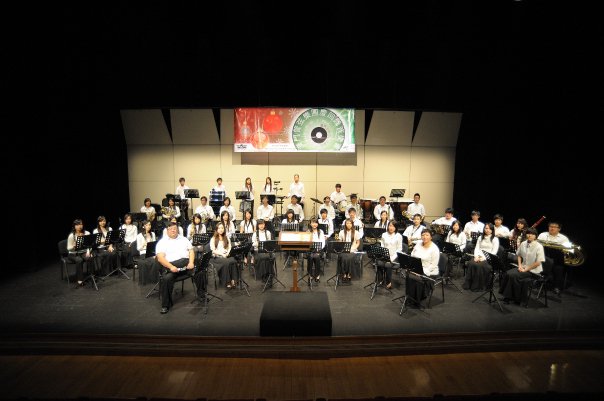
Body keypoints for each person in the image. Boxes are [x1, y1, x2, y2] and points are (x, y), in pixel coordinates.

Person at [155, 222, 195, 314]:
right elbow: (160, 258)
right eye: (171, 229)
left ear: (178, 230)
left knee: (199, 272)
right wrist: (171, 267)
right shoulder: (162, 242)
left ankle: (202, 295)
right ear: (167, 230)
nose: (173, 230)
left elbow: (191, 251)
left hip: (186, 265)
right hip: (172, 267)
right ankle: (165, 305)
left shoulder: (184, 239)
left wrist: (191, 262)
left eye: (175, 228)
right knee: (166, 279)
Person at [500, 227, 545, 304]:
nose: (529, 235)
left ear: (535, 236)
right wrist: (520, 265)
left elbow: (538, 263)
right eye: (528, 233)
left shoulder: (539, 246)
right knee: (508, 273)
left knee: (514, 276)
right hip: (523, 267)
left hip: (533, 270)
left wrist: (526, 269)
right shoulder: (523, 243)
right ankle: (508, 296)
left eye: (532, 234)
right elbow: (519, 255)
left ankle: (513, 298)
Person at [462, 223, 499, 292]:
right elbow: (477, 248)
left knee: (479, 266)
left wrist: (483, 258)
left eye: (489, 229)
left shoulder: (495, 239)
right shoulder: (480, 237)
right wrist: (476, 256)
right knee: (471, 263)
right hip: (479, 255)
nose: (487, 230)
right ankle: (469, 284)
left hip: (488, 258)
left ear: (492, 230)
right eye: (486, 228)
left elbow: (494, 252)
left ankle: (477, 286)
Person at [407, 229, 441, 303]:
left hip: (429, 270)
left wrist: (421, 272)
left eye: (427, 235)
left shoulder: (434, 249)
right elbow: (412, 254)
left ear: (431, 237)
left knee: (416, 278)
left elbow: (433, 265)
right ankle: (410, 296)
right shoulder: (418, 244)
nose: (424, 237)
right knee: (408, 274)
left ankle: (418, 299)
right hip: (417, 268)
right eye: (423, 235)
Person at [537, 221, 570, 295]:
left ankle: (556, 287)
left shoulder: (564, 238)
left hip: (557, 259)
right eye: (550, 226)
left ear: (559, 229)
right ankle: (539, 282)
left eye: (554, 227)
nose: (552, 228)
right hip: (544, 257)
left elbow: (567, 250)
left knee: (558, 268)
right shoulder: (542, 235)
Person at [210, 222, 237, 289]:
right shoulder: (213, 238)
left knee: (233, 260)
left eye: (222, 228)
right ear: (216, 229)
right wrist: (221, 254)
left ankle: (233, 279)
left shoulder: (226, 237)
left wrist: (227, 253)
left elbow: (229, 247)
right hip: (216, 257)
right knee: (226, 262)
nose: (221, 229)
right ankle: (227, 281)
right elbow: (213, 250)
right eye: (219, 228)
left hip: (225, 255)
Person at [66, 219, 92, 286]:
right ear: (74, 226)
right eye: (77, 225)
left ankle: (92, 276)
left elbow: (90, 245)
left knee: (90, 257)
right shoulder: (72, 235)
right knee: (79, 260)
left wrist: (88, 252)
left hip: (83, 252)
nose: (80, 226)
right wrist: (73, 246)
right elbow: (68, 248)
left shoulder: (87, 233)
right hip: (73, 253)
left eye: (81, 224)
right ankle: (80, 279)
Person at [379, 221, 403, 289]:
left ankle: (388, 281)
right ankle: (380, 279)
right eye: (390, 226)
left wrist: (392, 258)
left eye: (393, 226)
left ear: (396, 227)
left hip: (395, 256)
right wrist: (384, 254)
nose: (391, 228)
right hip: (385, 254)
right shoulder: (384, 234)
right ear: (388, 226)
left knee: (388, 264)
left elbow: (399, 249)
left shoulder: (399, 236)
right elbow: (382, 245)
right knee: (379, 262)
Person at [252, 219, 273, 284]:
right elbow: (253, 244)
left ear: (264, 225)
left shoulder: (268, 232)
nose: (261, 226)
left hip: (266, 251)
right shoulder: (255, 233)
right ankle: (264, 275)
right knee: (263, 258)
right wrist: (257, 243)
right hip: (258, 251)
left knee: (268, 257)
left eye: (263, 224)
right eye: (260, 224)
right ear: (258, 225)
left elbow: (270, 243)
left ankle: (269, 275)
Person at [306, 218, 325, 283]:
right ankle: (310, 275)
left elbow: (323, 242)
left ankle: (317, 275)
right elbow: (306, 241)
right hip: (310, 250)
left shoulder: (321, 231)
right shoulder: (308, 231)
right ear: (310, 224)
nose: (314, 224)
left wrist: (319, 248)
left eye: (316, 223)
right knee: (310, 257)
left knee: (317, 257)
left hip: (319, 249)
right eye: (313, 223)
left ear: (317, 224)